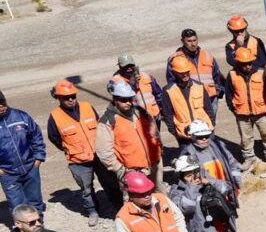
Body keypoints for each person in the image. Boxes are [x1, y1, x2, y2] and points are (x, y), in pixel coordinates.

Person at [46, 80, 121, 224]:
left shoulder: (87, 107)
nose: (70, 99)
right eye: (66, 97)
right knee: (86, 189)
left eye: (72, 96)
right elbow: (54, 137)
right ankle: (93, 211)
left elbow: (100, 126)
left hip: (99, 155)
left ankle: (119, 207)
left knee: (111, 183)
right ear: (58, 98)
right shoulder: (55, 116)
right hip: (78, 160)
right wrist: (69, 148)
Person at [180, 120, 243, 232]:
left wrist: (236, 179)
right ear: (192, 137)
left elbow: (231, 162)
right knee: (213, 220)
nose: (204, 139)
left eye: (206, 136)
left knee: (230, 215)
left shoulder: (218, 146)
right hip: (208, 195)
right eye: (200, 137)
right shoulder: (187, 156)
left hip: (225, 189)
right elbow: (191, 180)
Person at [223, 46, 266, 172]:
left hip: (262, 112)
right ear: (238, 63)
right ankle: (249, 158)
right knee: (246, 138)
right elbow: (229, 94)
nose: (247, 66)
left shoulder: (261, 72)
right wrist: (234, 109)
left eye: (249, 63)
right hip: (242, 114)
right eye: (244, 64)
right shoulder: (232, 75)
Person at [114, 172, 188, 232]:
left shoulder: (161, 199)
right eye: (142, 194)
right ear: (131, 195)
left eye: (148, 191)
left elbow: (178, 217)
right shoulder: (123, 217)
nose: (147, 196)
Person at [97, 82, 161, 182]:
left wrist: (160, 151)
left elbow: (155, 133)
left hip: (155, 167)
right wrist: (121, 170)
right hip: (133, 172)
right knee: (137, 197)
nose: (128, 102)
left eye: (130, 99)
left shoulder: (141, 112)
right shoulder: (107, 122)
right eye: (124, 100)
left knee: (160, 196)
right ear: (115, 99)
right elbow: (104, 152)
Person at [0, 92, 46, 215]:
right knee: (17, 206)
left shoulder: (21, 116)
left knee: (35, 202)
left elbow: (36, 136)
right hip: (8, 173)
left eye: (2, 102)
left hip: (31, 168)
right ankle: (21, 231)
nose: (1, 106)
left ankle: (38, 226)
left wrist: (38, 159)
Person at [166, 28, 224, 117]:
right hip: (191, 100)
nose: (192, 44)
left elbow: (217, 76)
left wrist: (218, 91)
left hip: (210, 99)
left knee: (211, 127)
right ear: (182, 41)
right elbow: (172, 81)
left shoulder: (208, 55)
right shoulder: (176, 59)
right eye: (189, 41)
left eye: (194, 40)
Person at [109, 52, 165, 127]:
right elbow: (119, 101)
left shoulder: (146, 77)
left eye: (131, 65)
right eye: (125, 66)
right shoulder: (116, 81)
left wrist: (162, 111)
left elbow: (159, 95)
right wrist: (131, 84)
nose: (129, 68)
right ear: (119, 67)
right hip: (136, 121)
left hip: (154, 117)